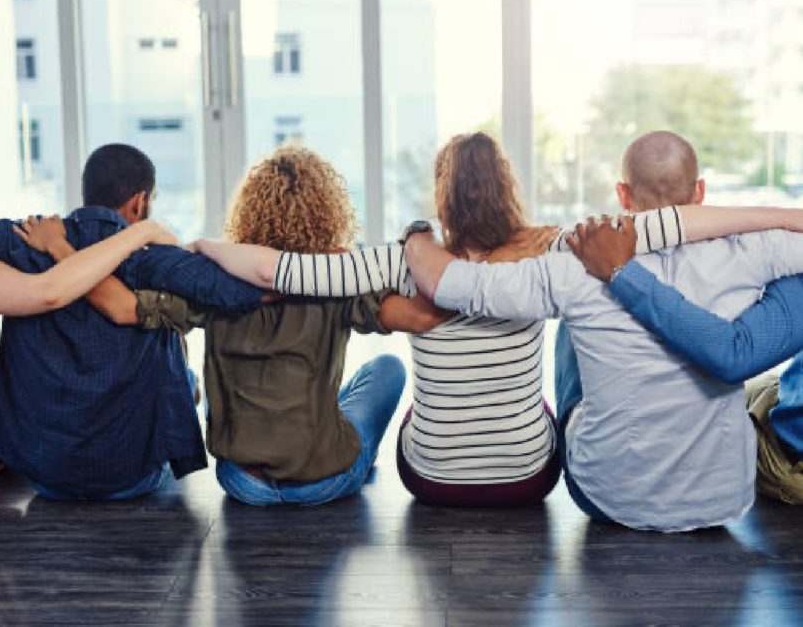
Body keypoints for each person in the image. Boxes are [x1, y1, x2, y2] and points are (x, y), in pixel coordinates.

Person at [180, 133, 774, 508]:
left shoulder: (402, 261)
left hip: (431, 482)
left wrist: (200, 248)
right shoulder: (556, 251)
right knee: (574, 326)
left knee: (407, 389)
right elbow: (665, 226)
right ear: (506, 189)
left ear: (442, 197)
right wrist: (785, 218)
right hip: (526, 480)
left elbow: (280, 272)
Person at [402, 130, 803, 531]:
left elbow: (450, 286)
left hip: (607, 498)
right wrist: (777, 221)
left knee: (570, 328)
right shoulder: (759, 250)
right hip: (722, 500)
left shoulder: (574, 265)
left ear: (623, 195)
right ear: (700, 191)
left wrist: (416, 236)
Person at [23, 146, 408, 506]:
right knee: (387, 369)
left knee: (206, 381)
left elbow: (122, 307)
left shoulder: (212, 279)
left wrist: (61, 249)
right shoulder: (336, 276)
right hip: (323, 483)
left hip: (243, 484)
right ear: (329, 211)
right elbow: (407, 311)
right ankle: (343, 449)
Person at [0, 143, 264, 500]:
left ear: (86, 195)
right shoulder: (154, 257)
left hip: (44, 476)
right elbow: (238, 290)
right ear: (140, 203)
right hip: (130, 478)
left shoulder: (25, 238)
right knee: (171, 338)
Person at [564, 207, 803, 505]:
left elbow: (732, 356)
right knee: (749, 382)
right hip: (779, 401)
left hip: (791, 457)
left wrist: (620, 272)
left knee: (579, 308)